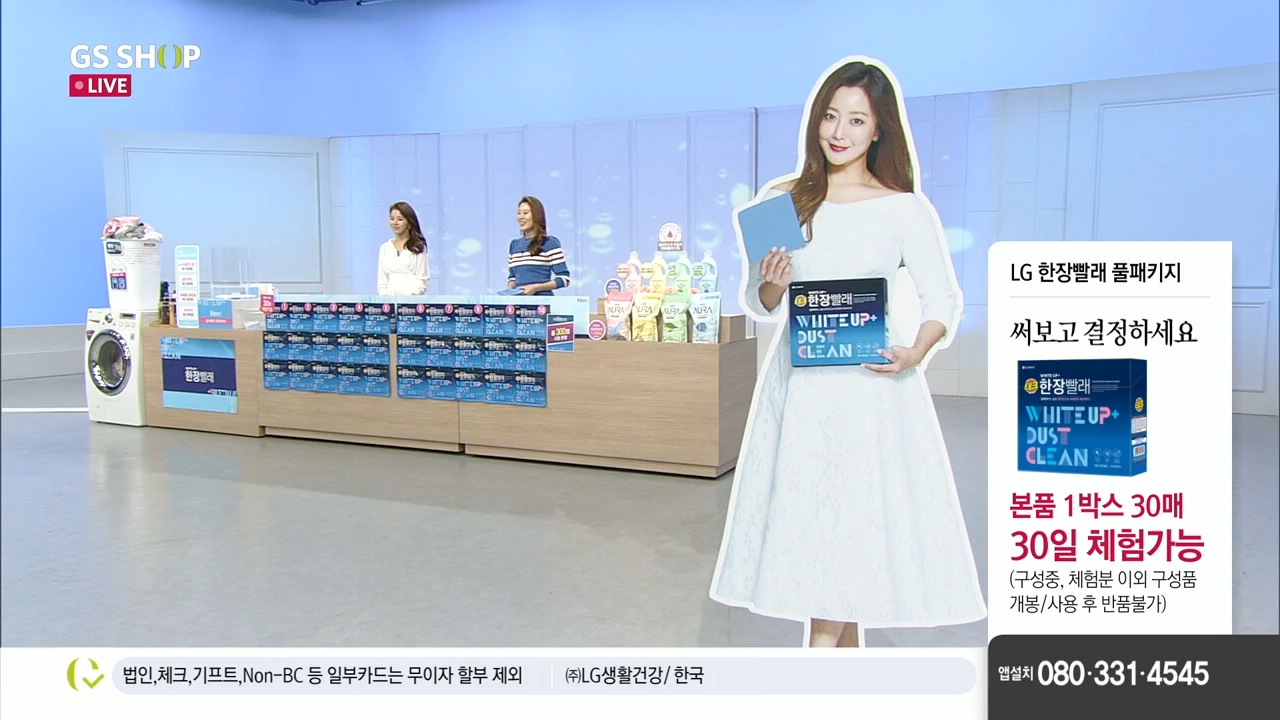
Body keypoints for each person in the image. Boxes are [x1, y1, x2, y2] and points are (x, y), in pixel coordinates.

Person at [709, 57, 986, 648]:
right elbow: (759, 302)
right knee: (821, 528)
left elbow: (943, 298)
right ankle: (839, 670)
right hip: (802, 393)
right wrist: (774, 283)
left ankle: (822, 663)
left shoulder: (904, 208)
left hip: (871, 391)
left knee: (851, 527)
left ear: (879, 129)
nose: (839, 132)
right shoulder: (782, 200)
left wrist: (916, 351)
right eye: (830, 116)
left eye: (856, 120)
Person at [507, 196, 571, 295]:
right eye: (519, 213)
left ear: (536, 216)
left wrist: (535, 288)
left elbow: (564, 279)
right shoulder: (514, 245)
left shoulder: (549, 243)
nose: (521, 217)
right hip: (520, 303)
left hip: (542, 302)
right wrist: (510, 289)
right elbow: (512, 278)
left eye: (525, 213)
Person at [378, 201, 430, 295]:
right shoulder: (385, 248)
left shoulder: (418, 247)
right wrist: (385, 298)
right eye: (392, 219)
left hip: (412, 300)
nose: (395, 223)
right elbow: (382, 280)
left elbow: (422, 280)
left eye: (400, 219)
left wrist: (410, 298)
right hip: (390, 300)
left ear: (409, 223)